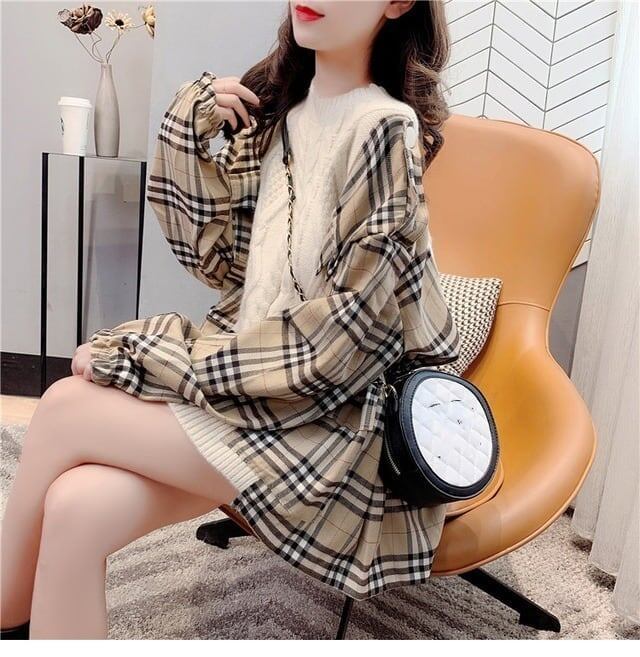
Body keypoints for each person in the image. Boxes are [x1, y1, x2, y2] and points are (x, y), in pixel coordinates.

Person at [1, 0, 460, 640]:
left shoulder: (385, 131)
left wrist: (151, 358)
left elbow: (336, 344)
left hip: (329, 422)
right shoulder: (284, 118)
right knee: (76, 508)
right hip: (257, 395)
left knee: (62, 407)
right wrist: (190, 126)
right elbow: (216, 261)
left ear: (399, 3)